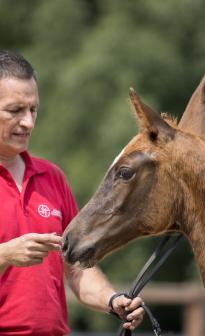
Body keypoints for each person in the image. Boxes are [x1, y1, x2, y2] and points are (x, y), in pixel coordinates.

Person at [0, 50, 144, 335]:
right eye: (15, 110)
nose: (28, 122)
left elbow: (77, 269)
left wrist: (111, 300)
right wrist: (5, 254)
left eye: (33, 110)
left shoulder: (52, 177)